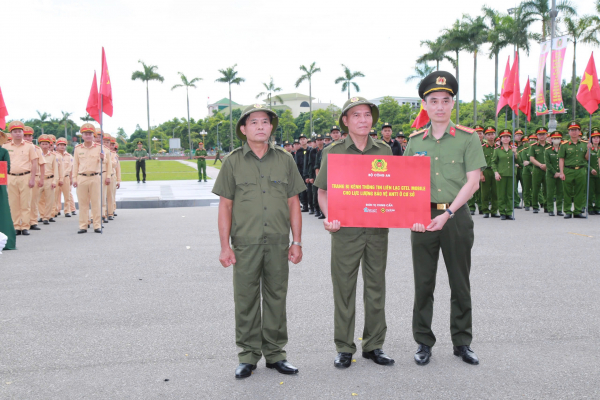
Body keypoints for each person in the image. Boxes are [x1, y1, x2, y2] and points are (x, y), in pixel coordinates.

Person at [212, 104, 305, 379]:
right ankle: (248, 355)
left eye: (265, 121)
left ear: (271, 127)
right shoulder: (232, 162)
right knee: (246, 300)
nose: (261, 126)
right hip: (245, 243)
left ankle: (276, 354)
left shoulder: (285, 160)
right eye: (254, 122)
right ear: (244, 129)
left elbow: (293, 203)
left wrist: (296, 241)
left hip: (277, 241)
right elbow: (225, 206)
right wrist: (225, 246)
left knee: (277, 298)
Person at [405, 71, 486, 366]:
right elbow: (407, 183)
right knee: (423, 283)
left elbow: (473, 181)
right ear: (424, 105)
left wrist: (449, 213)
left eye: (445, 100)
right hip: (423, 217)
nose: (439, 106)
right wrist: (413, 214)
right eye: (433, 101)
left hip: (457, 217)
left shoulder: (468, 138)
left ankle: (462, 342)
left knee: (459, 282)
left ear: (453, 104)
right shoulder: (415, 141)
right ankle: (423, 342)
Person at [314, 96, 395, 369]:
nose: (363, 120)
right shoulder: (333, 151)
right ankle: (344, 347)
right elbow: (322, 192)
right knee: (344, 289)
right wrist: (330, 216)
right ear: (346, 121)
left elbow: (395, 190)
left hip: (376, 230)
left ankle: (374, 345)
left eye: (367, 115)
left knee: (376, 288)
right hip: (345, 231)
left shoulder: (384, 150)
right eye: (356, 115)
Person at [2, 121, 39, 236]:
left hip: (25, 176)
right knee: (13, 203)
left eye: (20, 131)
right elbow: (2, 165)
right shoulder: (5, 146)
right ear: (11, 133)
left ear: (23, 133)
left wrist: (32, 178)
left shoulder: (29, 146)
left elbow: (34, 163)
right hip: (11, 177)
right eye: (15, 132)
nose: (18, 134)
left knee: (25, 203)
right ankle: (16, 226)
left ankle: (25, 226)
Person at [73, 123, 110, 233]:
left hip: (95, 177)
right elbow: (75, 164)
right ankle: (83, 225)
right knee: (83, 203)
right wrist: (74, 179)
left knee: (96, 202)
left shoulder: (100, 148)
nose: (88, 136)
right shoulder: (78, 149)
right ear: (82, 136)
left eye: (90, 134)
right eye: (86, 134)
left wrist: (104, 158)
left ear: (93, 136)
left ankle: (97, 225)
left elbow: (107, 163)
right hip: (82, 178)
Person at [559, 121, 591, 218]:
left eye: (576, 130)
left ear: (579, 131)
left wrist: (589, 149)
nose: (574, 132)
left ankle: (577, 211)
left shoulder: (585, 144)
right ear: (568, 132)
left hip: (580, 170)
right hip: (568, 170)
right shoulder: (564, 145)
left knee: (579, 191)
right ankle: (568, 211)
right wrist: (561, 172)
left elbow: (587, 158)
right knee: (567, 191)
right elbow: (561, 159)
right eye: (572, 130)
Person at [22, 126, 45, 230]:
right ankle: (21, 222)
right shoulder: (19, 147)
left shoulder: (37, 149)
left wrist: (42, 179)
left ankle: (33, 221)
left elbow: (42, 164)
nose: (27, 138)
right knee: (22, 202)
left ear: (32, 137)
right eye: (25, 135)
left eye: (29, 136)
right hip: (22, 176)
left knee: (33, 201)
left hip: (34, 177)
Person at [492, 129, 517, 220]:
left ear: (510, 139)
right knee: (501, 194)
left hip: (511, 174)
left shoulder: (513, 149)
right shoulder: (497, 150)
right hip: (501, 174)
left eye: (508, 137)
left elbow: (519, 162)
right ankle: (502, 212)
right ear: (501, 139)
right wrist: (496, 172)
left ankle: (509, 212)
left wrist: (515, 153)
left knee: (510, 195)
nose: (506, 139)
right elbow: (493, 162)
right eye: (504, 137)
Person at [37, 135, 60, 225]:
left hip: (49, 179)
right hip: (39, 179)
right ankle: (42, 216)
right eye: (43, 144)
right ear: (40, 145)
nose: (45, 146)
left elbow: (56, 170)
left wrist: (54, 181)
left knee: (50, 200)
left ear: (49, 145)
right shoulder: (37, 155)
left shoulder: (53, 156)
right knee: (39, 200)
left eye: (47, 144)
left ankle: (47, 217)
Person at [0, 130, 16, 250]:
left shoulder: (4, 151)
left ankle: (5, 241)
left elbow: (6, 169)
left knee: (3, 211)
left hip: (0, 185)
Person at [529, 127, 549, 214]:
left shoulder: (550, 146)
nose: (542, 136)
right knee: (535, 188)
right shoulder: (533, 147)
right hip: (537, 169)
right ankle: (535, 206)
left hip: (548, 170)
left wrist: (547, 166)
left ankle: (547, 205)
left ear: (546, 135)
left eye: (543, 134)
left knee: (547, 188)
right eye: (540, 134)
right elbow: (531, 159)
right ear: (537, 136)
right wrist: (540, 165)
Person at [481, 126, 499, 218]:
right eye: (488, 134)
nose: (491, 136)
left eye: (492, 134)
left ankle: (494, 210)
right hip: (486, 170)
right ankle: (485, 211)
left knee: (496, 192)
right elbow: (479, 162)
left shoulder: (498, 148)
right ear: (485, 136)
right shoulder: (482, 148)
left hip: (496, 171)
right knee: (485, 192)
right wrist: (481, 174)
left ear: (495, 135)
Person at [545, 131, 565, 217]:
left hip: (561, 174)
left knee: (560, 192)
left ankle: (559, 209)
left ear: (561, 139)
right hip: (551, 174)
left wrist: (561, 172)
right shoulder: (547, 150)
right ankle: (550, 209)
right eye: (554, 138)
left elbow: (565, 161)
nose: (556, 140)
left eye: (558, 138)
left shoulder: (563, 149)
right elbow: (548, 164)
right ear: (551, 140)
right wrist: (554, 172)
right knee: (550, 192)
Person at [305, 133, 324, 218]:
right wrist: (311, 176)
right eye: (318, 140)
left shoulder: (326, 149)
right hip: (316, 174)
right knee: (315, 193)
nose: (319, 142)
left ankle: (323, 211)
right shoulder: (313, 151)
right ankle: (316, 209)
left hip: (325, 174)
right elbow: (312, 165)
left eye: (321, 140)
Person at [468, 125, 484, 215]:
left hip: (483, 169)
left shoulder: (485, 145)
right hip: (472, 169)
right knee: (471, 188)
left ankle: (482, 207)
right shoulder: (469, 144)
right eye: (476, 133)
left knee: (482, 190)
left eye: (480, 133)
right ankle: (471, 207)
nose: (478, 135)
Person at [55, 137, 74, 217]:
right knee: (55, 195)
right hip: (56, 177)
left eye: (64, 145)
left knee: (67, 195)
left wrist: (71, 178)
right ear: (57, 146)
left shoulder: (69, 156)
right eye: (60, 145)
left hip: (66, 177)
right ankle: (56, 210)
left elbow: (71, 167)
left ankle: (67, 211)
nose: (62, 146)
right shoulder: (54, 155)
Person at [519, 133, 535, 210]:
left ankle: (536, 203)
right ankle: (527, 204)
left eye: (534, 140)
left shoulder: (536, 149)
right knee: (526, 188)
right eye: (531, 140)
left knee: (535, 188)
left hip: (536, 170)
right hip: (526, 171)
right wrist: (531, 169)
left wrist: (530, 162)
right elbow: (525, 163)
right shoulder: (524, 151)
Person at [294, 134, 309, 212]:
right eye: (301, 139)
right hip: (301, 174)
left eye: (304, 139)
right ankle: (305, 205)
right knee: (302, 191)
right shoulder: (299, 152)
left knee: (310, 191)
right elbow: (296, 164)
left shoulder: (310, 150)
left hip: (309, 173)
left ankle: (312, 206)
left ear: (307, 140)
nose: (302, 140)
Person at [588, 127, 600, 215]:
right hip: (591, 174)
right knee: (590, 192)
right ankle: (589, 207)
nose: (596, 139)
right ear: (591, 139)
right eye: (594, 137)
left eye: (598, 137)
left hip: (599, 174)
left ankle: (598, 207)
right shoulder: (588, 149)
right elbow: (584, 161)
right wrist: (591, 169)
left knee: (599, 192)